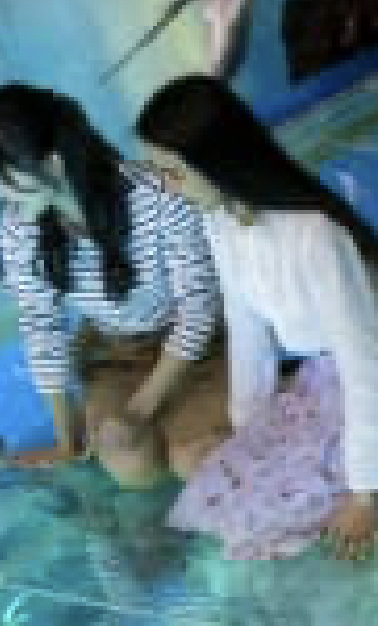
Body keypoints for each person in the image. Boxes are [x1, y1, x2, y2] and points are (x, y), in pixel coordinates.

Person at [135, 74, 378, 561]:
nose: (166, 189)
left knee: (313, 518)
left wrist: (365, 490)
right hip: (319, 379)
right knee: (236, 493)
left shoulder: (316, 238)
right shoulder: (222, 222)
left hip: (377, 382)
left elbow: (365, 362)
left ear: (217, 163)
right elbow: (247, 333)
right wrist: (251, 432)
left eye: (173, 173)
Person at [0, 82, 228, 486]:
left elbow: (199, 308)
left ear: (52, 164)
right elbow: (41, 324)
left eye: (5, 180)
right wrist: (66, 441)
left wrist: (140, 409)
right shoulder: (19, 224)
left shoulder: (156, 195)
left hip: (206, 343)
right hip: (115, 352)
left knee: (196, 459)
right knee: (126, 459)